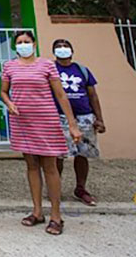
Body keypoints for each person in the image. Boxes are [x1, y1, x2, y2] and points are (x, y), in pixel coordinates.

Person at [0, 31, 82, 236]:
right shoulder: (9, 66)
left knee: (50, 166)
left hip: (46, 120)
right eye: (19, 42)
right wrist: (9, 103)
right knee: (31, 165)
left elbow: (61, 95)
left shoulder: (47, 65)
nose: (23, 45)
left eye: (26, 42)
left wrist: (72, 124)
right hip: (22, 122)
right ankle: (37, 211)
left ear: (34, 44)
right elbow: (4, 91)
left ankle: (56, 215)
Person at [52, 39, 106, 206]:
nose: (63, 49)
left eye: (65, 46)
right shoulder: (50, 70)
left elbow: (93, 95)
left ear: (72, 50)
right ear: (54, 52)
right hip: (59, 117)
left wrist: (99, 118)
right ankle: (56, 188)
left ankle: (81, 188)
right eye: (59, 47)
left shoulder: (82, 70)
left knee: (83, 154)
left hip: (84, 117)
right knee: (58, 155)